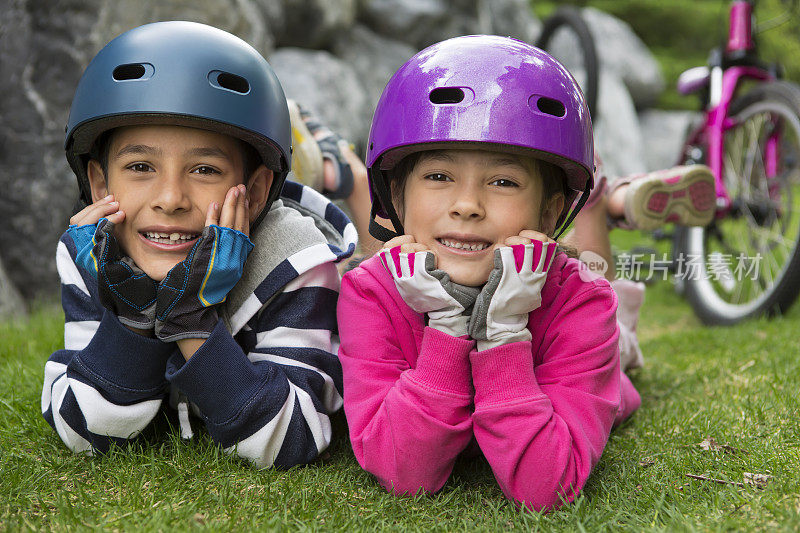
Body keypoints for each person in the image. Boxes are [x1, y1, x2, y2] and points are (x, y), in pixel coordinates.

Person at [336, 35, 642, 511]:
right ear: (395, 196)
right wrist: (446, 324)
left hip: (596, 342)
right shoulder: (369, 292)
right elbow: (404, 471)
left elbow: (548, 488)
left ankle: (605, 222)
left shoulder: (582, 301)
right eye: (438, 176)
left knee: (619, 345)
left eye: (503, 182)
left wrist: (503, 332)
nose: (466, 206)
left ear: (549, 212)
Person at [41, 21, 356, 469]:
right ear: (97, 182)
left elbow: (291, 441)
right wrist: (132, 315)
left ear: (258, 189)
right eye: (140, 166)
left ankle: (331, 154)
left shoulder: (295, 260)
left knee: (334, 169)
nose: (170, 199)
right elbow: (83, 432)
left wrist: (192, 321)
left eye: (205, 170)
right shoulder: (92, 250)